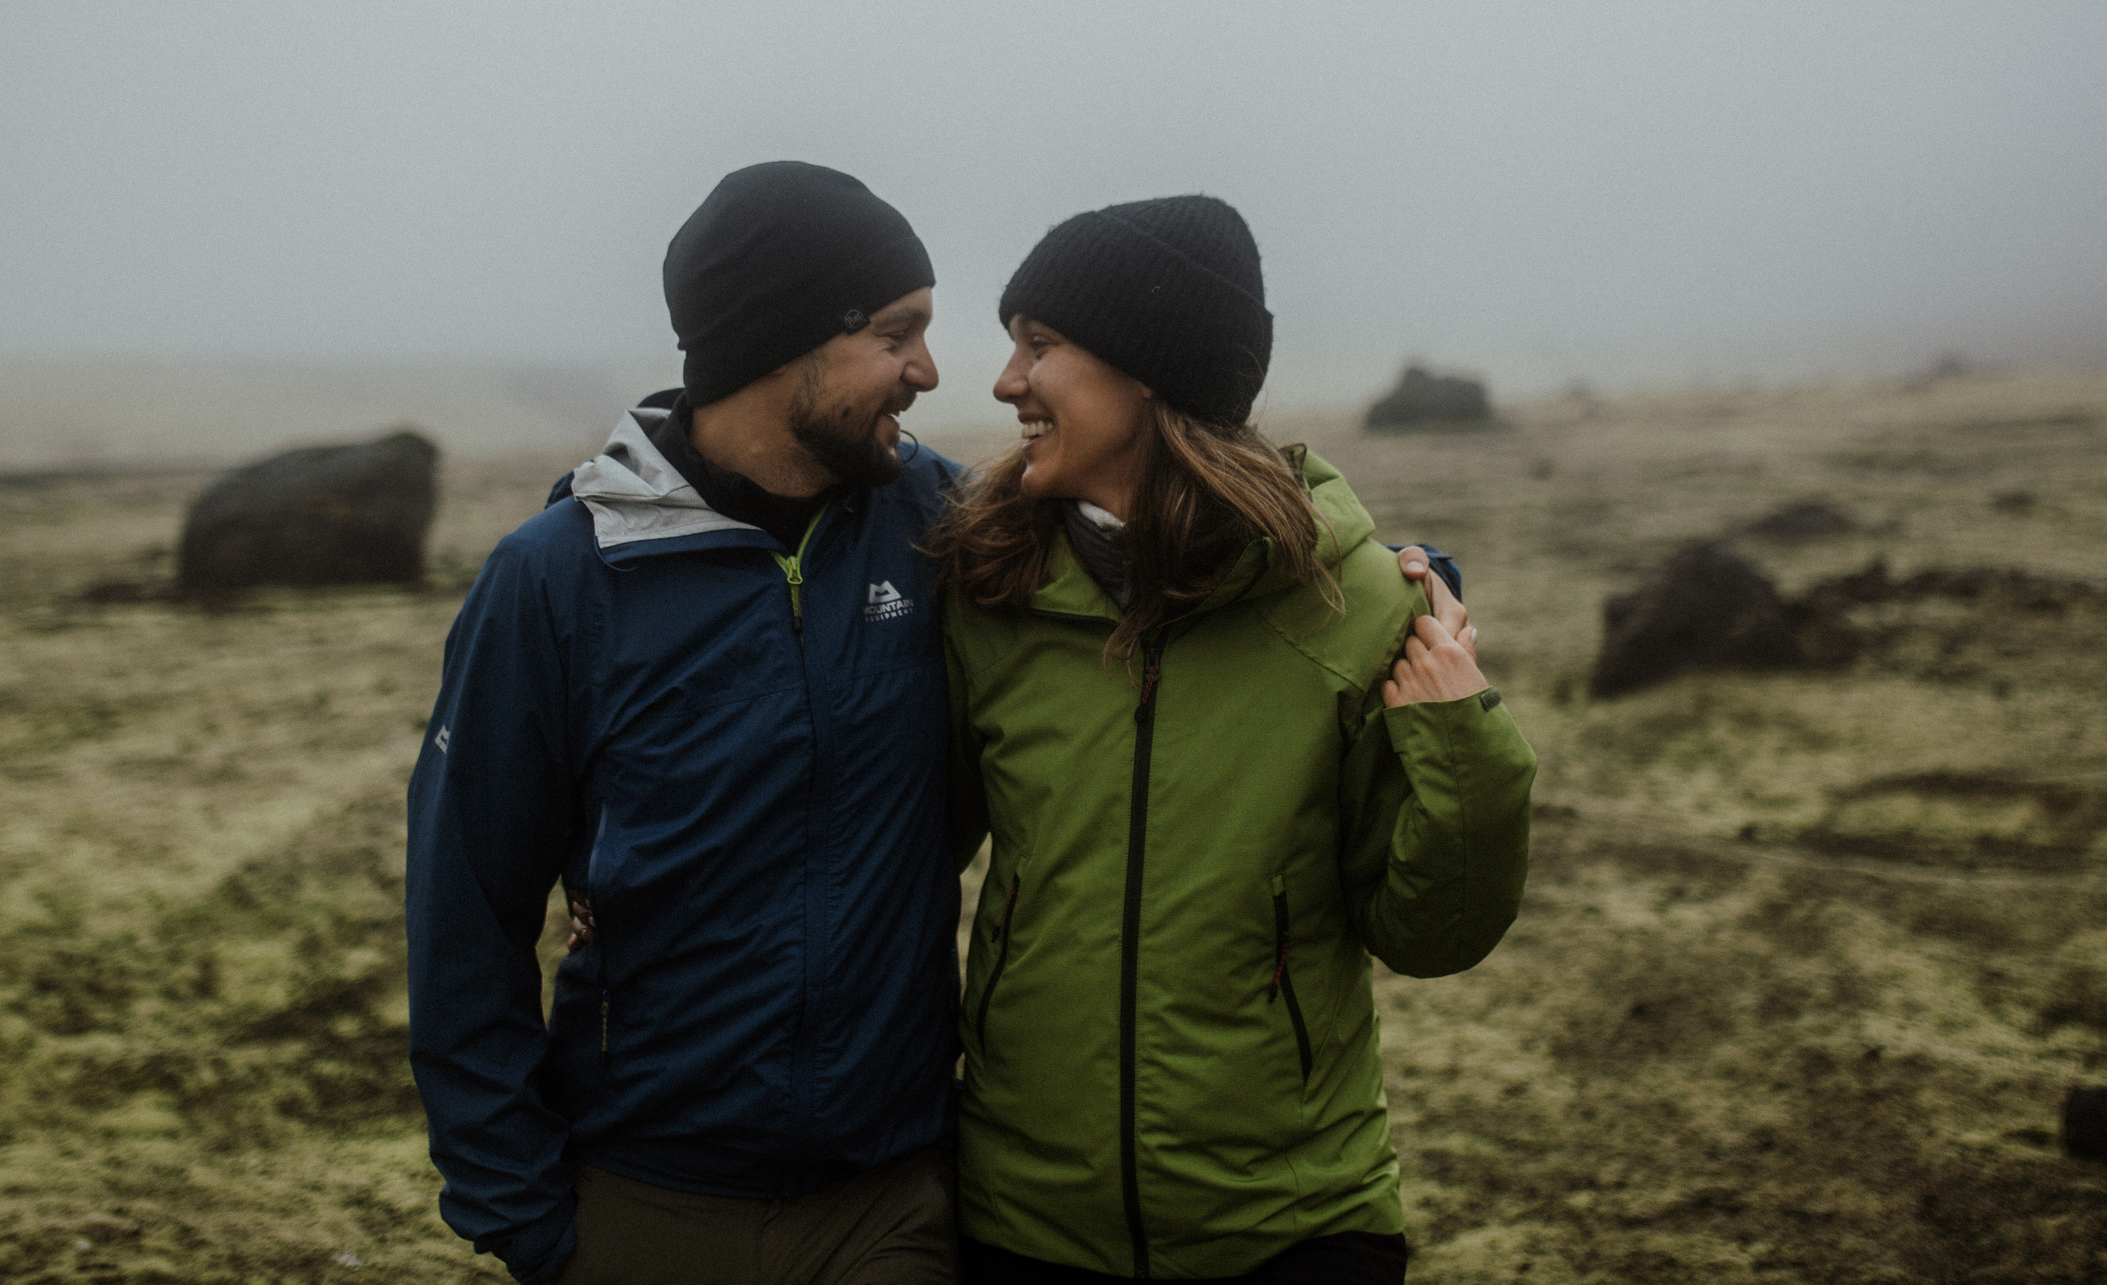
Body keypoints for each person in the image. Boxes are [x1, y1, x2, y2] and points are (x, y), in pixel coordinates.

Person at [934, 195, 1537, 1283]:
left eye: (1039, 346)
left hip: (1294, 1224)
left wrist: (1463, 740)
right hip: (1025, 1222)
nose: (1004, 382)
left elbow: (1432, 933)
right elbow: (902, 839)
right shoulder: (991, 589)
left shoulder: (1351, 604)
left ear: (1149, 370)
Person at [406, 162, 963, 1285]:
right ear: (787, 338)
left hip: (891, 1205)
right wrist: (530, 1220)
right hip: (644, 1206)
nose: (928, 372)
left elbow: (1159, 551)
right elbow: (465, 911)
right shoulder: (556, 579)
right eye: (897, 335)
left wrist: (1404, 573)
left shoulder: (944, 526)